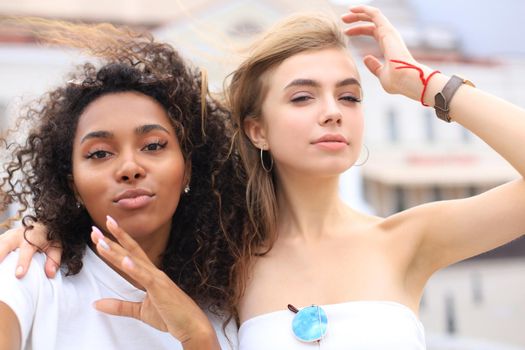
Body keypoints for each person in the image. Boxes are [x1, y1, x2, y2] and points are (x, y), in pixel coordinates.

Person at [3, 5, 525, 349]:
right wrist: (53, 227)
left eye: (349, 95)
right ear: (257, 129)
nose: (332, 112)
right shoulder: (221, 264)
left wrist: (431, 86)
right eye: (303, 97)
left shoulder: (407, 239)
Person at [0, 20, 244, 350]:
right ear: (71, 184)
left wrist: (198, 338)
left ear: (188, 170)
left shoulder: (231, 301)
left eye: (154, 145)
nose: (130, 168)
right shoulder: (28, 273)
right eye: (100, 153)